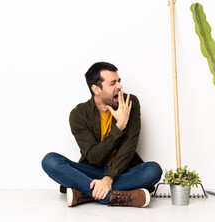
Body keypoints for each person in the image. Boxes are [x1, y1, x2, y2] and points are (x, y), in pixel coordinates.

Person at [41, 62, 162, 207]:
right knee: (50, 160)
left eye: (119, 81)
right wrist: (119, 126)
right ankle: (116, 196)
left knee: (153, 170)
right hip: (90, 171)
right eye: (113, 83)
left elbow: (128, 149)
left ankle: (84, 193)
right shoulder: (78, 114)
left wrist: (109, 178)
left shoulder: (130, 103)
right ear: (96, 89)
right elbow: (95, 157)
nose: (120, 86)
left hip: (122, 171)